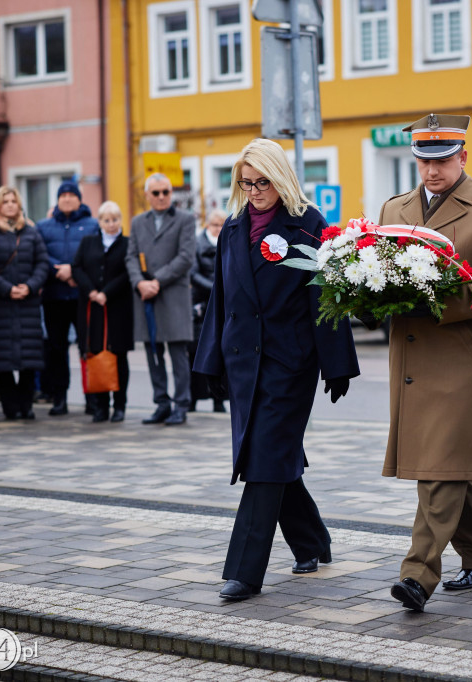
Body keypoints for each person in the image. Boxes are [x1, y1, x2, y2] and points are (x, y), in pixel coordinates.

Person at [192, 138, 359, 601]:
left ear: (279, 176)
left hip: (290, 363)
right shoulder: (232, 228)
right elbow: (221, 301)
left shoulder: (308, 226)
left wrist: (337, 364)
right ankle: (312, 541)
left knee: (262, 459)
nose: (254, 191)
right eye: (246, 183)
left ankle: (244, 572)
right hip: (244, 363)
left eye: (262, 182)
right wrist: (208, 360)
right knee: (272, 456)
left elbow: (325, 296)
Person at [377, 114, 472, 612]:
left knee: (438, 467)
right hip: (413, 357)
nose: (432, 170)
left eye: (442, 160)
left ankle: (418, 574)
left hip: (462, 358)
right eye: (424, 160)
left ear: (462, 157)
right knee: (446, 462)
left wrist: (446, 297)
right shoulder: (395, 207)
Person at [125, 173, 196, 426]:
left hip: (173, 295)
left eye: (166, 191)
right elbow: (130, 256)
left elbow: (186, 257)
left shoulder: (185, 220)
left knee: (178, 355)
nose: (162, 197)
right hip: (146, 298)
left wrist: (157, 281)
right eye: (156, 193)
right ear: (147, 195)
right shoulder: (137, 222)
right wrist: (140, 282)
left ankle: (181, 405)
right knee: (153, 352)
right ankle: (162, 404)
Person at [0, 187, 48, 420]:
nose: (9, 205)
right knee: (2, 360)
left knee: (29, 358)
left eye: (13, 201)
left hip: (27, 302)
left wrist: (30, 286)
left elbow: (42, 263)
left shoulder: (30, 231)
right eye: (5, 201)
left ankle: (26, 406)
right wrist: (7, 289)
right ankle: (10, 407)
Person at [36, 181, 99, 416]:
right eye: (63, 195)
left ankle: (92, 398)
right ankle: (59, 398)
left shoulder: (92, 225)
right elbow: (41, 254)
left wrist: (74, 272)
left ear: (80, 199)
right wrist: (58, 271)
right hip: (54, 296)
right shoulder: (44, 226)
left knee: (87, 347)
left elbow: (95, 256)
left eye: (72, 195)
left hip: (83, 296)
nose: (68, 199)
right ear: (57, 200)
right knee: (56, 349)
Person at [73, 201, 134, 423]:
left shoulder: (127, 244)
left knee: (118, 356)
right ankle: (100, 406)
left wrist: (106, 292)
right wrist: (91, 291)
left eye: (115, 219)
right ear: (99, 222)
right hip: (92, 308)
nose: (111, 224)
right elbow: (76, 267)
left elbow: (129, 271)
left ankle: (119, 405)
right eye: (106, 220)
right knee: (95, 352)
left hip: (117, 307)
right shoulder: (88, 242)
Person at [189, 209, 226, 413]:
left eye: (222, 225)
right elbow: (192, 273)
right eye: (215, 225)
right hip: (200, 305)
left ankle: (218, 400)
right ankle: (193, 398)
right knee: (195, 353)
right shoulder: (197, 243)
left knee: (220, 351)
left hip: (223, 302)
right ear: (207, 225)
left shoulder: (229, 240)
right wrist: (215, 288)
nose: (218, 229)